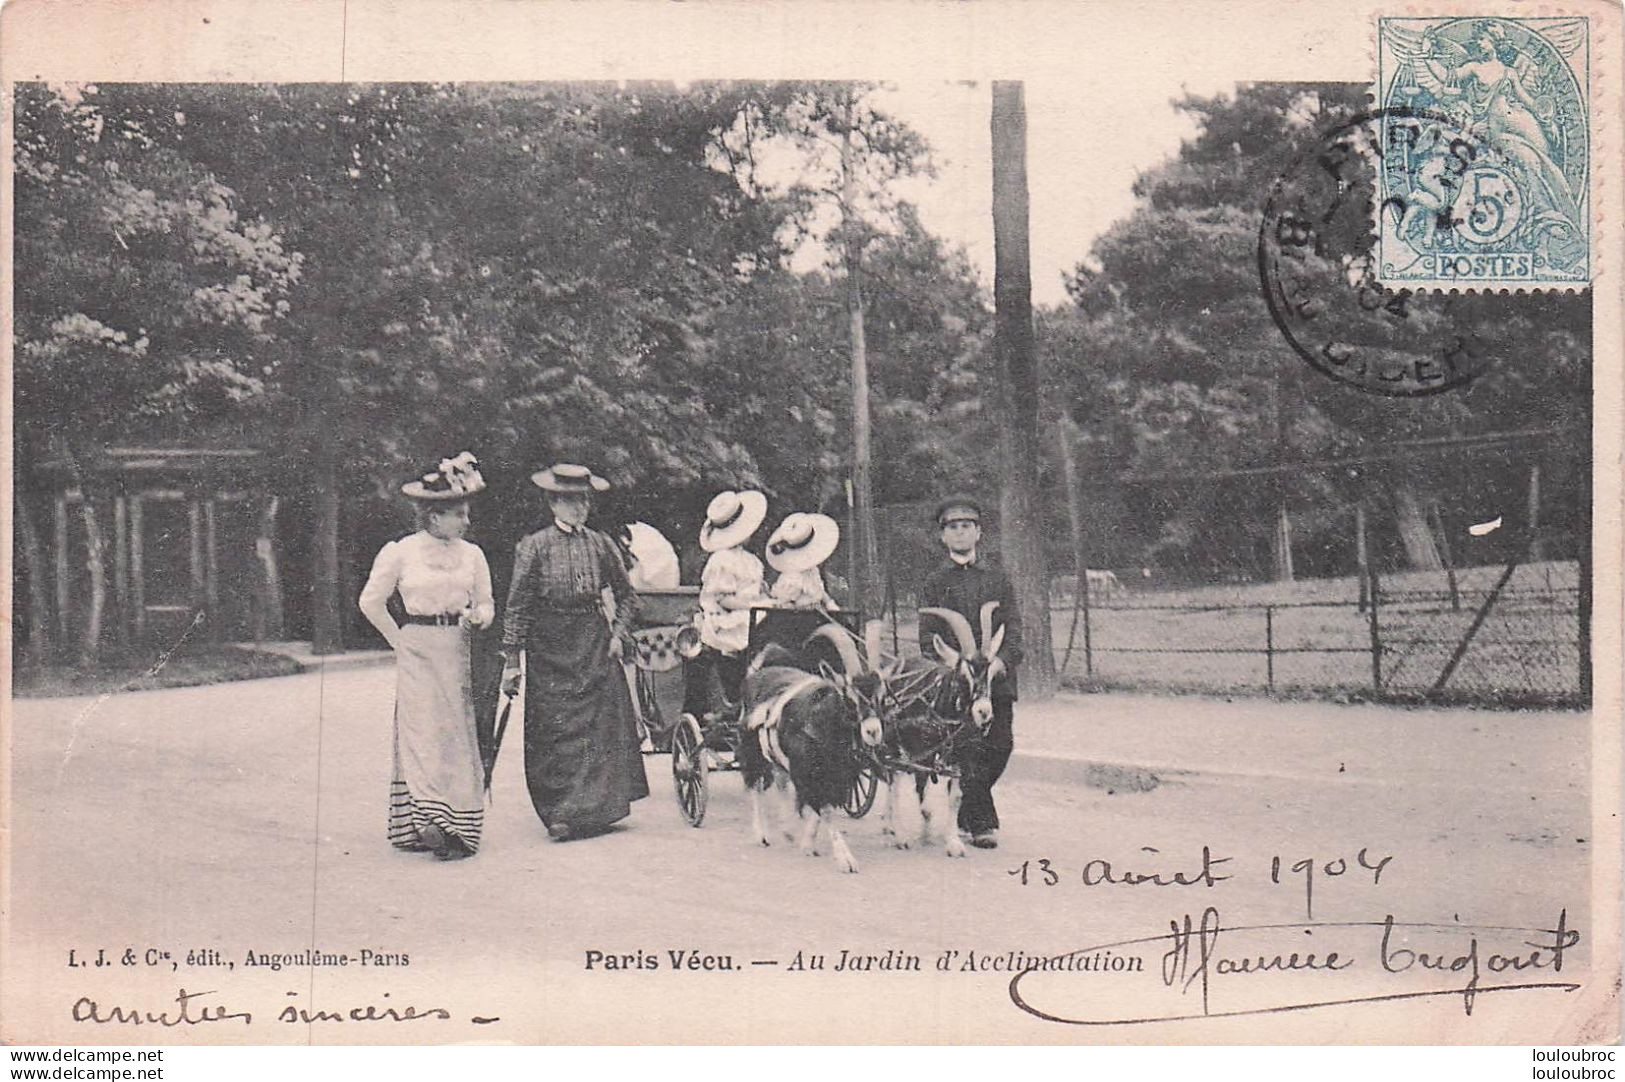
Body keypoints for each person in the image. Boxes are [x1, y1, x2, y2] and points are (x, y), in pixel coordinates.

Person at [499, 463, 648, 841]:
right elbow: (517, 606)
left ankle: (593, 810)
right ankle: (560, 811)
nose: (577, 508)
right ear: (553, 503)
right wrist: (513, 660)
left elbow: (628, 596)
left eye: (582, 501)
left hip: (593, 639)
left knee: (598, 727)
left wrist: (617, 634)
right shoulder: (535, 546)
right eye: (568, 501)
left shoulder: (601, 544)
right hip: (549, 643)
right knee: (553, 730)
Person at [357, 451, 493, 861]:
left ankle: (460, 827)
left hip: (458, 647)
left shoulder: (473, 555)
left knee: (456, 733)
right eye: (459, 514)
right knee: (422, 732)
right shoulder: (400, 552)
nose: (466, 522)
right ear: (435, 516)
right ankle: (430, 821)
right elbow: (370, 602)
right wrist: (399, 640)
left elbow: (486, 602)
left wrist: (479, 617)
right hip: (418, 646)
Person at [918, 495, 1022, 850]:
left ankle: (967, 810)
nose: (960, 533)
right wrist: (951, 665)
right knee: (968, 751)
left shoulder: (998, 578)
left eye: (967, 526)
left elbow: (1015, 630)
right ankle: (979, 822)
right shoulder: (934, 581)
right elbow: (927, 636)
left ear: (978, 533)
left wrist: (1000, 663)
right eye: (952, 528)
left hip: (994, 681)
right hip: (957, 683)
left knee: (1000, 746)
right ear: (943, 537)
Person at [683, 489, 767, 719]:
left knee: (771, 618)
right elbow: (722, 599)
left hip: (750, 611)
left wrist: (764, 601)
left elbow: (758, 589)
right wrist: (753, 605)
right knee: (758, 619)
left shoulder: (751, 561)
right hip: (725, 618)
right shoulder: (721, 560)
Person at [766, 512, 840, 610]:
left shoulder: (812, 570)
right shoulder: (792, 577)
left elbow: (820, 591)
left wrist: (830, 604)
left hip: (816, 613)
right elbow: (783, 605)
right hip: (799, 618)